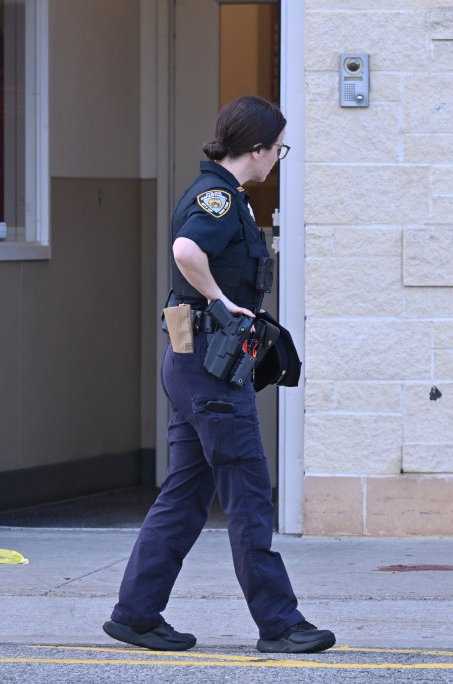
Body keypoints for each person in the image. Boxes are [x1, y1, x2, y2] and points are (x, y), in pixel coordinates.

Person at [102, 95, 335, 655]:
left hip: (190, 359)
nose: (279, 156)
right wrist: (223, 302)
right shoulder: (217, 199)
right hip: (207, 365)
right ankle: (279, 623)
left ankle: (136, 614)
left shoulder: (228, 198)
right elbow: (186, 251)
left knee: (185, 496)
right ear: (255, 149)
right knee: (249, 493)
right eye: (278, 148)